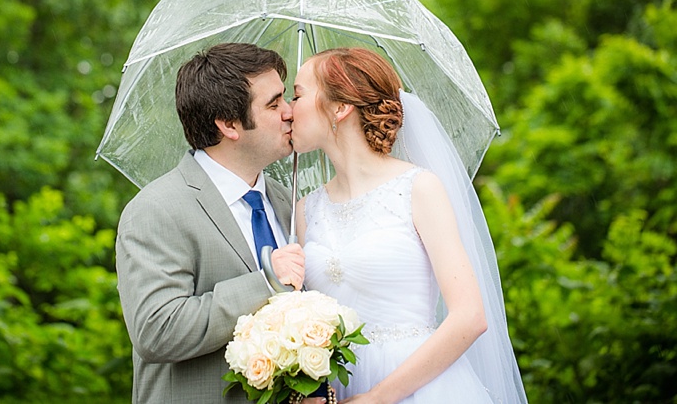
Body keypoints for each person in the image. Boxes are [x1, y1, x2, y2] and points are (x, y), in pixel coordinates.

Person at [290, 48, 527, 403]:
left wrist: (378, 398)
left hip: (422, 387)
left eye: (297, 94)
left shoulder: (418, 188)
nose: (287, 109)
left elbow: (470, 316)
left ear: (340, 108)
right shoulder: (306, 209)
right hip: (343, 388)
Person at [115, 42, 326, 403]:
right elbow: (157, 329)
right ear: (229, 124)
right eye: (274, 104)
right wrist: (266, 282)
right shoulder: (156, 210)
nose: (290, 112)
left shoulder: (289, 204)